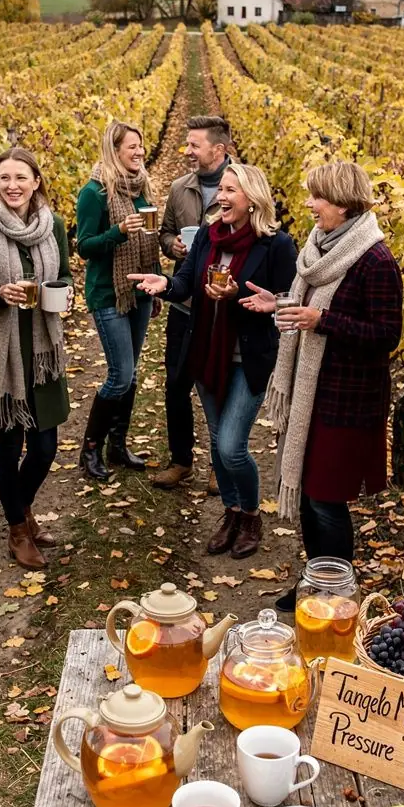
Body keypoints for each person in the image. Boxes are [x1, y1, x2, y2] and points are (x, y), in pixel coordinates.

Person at [242, 159, 403, 608]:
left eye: (319, 197)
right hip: (310, 396)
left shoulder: (375, 260)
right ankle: (317, 582)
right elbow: (310, 305)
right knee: (313, 499)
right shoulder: (318, 248)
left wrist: (323, 320)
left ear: (345, 204)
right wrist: (281, 302)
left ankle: (336, 597)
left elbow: (387, 335)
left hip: (347, 403)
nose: (310, 204)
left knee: (325, 500)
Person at [130, 162, 296, 559]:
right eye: (220, 189)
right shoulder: (208, 236)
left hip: (248, 358)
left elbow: (286, 304)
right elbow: (187, 281)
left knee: (231, 446)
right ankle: (232, 512)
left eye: (230, 191)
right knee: (217, 440)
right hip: (206, 353)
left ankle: (252, 515)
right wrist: (165, 284)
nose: (220, 197)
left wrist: (242, 298)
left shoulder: (277, 246)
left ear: (252, 199)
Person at [0, 146, 72, 568]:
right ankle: (18, 530)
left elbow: (64, 276)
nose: (12, 186)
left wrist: (64, 295)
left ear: (36, 181)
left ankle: (21, 511)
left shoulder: (53, 225)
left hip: (41, 350)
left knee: (45, 447)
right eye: (4, 178)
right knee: (8, 444)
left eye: (21, 177)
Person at [76, 121, 159, 482]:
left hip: (139, 290)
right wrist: (118, 232)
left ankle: (117, 445)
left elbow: (149, 240)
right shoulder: (93, 193)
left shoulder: (142, 186)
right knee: (120, 374)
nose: (139, 153)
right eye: (131, 147)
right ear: (114, 150)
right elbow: (84, 247)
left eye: (141, 146)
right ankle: (90, 449)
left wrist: (156, 284)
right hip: (109, 292)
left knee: (132, 373)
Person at [155, 115, 231, 491]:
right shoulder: (179, 188)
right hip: (185, 303)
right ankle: (181, 460)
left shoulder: (242, 186)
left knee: (219, 384)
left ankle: (221, 463)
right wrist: (173, 246)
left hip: (222, 305)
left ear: (218, 149)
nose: (187, 151)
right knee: (175, 383)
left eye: (194, 145)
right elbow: (165, 232)